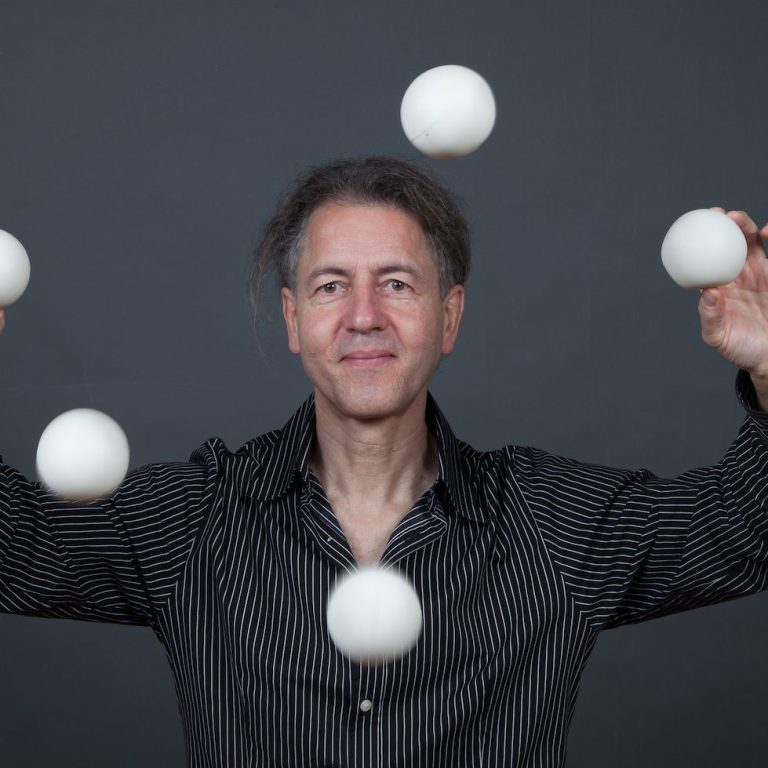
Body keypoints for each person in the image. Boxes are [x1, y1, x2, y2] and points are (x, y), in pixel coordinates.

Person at [1, 156, 768, 768]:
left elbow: (746, 531)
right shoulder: (195, 523)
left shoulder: (551, 524)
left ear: (449, 317)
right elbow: (13, 549)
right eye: (332, 285)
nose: (363, 316)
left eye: (396, 284)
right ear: (294, 319)